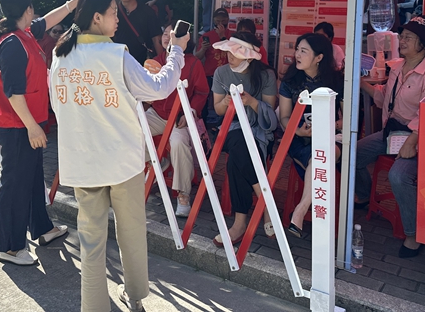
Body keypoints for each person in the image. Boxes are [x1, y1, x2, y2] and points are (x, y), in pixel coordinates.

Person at [50, 0, 188, 311]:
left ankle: (94, 306)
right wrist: (177, 53)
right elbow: (159, 88)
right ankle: (135, 297)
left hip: (82, 161)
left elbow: (58, 106)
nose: (117, 19)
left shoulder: (59, 56)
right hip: (122, 160)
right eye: (114, 13)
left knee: (90, 241)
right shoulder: (116, 56)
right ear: (97, 18)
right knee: (131, 233)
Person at [0, 0, 88, 266]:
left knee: (32, 178)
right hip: (18, 125)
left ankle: (42, 228)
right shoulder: (12, 44)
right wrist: (32, 127)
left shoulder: (24, 33)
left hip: (29, 121)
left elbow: (51, 19)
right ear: (28, 10)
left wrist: (75, 1)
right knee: (15, 183)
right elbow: (13, 92)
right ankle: (9, 247)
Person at [356, 15, 425, 258]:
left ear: (424, 44)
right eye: (403, 36)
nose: (403, 40)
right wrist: (360, 82)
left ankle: (414, 233)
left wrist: (412, 142)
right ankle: (365, 195)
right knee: (351, 154)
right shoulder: (397, 67)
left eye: (409, 37)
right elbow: (384, 97)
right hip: (392, 132)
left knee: (398, 176)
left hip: (420, 139)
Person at [210, 32, 278, 247]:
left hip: (258, 131)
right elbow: (218, 110)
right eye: (229, 51)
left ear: (249, 56)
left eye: (236, 53)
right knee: (239, 141)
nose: (230, 56)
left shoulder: (266, 75)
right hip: (231, 128)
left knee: (236, 159)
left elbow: (269, 115)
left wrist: (252, 102)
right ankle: (266, 204)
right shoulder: (221, 72)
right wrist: (227, 102)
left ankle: (240, 224)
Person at [278, 33, 343, 237]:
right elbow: (284, 117)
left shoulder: (337, 81)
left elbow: (348, 119)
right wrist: (297, 130)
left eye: (303, 51)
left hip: (331, 138)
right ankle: (308, 214)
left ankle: (300, 210)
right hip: (300, 139)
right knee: (320, 158)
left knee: (323, 154)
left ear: (319, 57)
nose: (297, 55)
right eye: (297, 49)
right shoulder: (290, 81)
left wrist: (332, 125)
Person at [144, 22, 209, 217]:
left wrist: (191, 112)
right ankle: (156, 162)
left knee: (179, 143)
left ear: (184, 40)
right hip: (157, 114)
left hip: (180, 118)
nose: (167, 37)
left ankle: (183, 194)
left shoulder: (194, 63)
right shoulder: (154, 61)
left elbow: (202, 92)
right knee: (131, 128)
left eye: (172, 34)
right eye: (165, 34)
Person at [113, 0, 163, 64]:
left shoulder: (147, 12)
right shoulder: (112, 11)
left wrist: (162, 63)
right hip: (117, 60)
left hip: (140, 62)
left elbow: (157, 39)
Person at [195, 8, 232, 125]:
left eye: (223, 21)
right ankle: (203, 123)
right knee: (205, 99)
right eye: (217, 21)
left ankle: (223, 123)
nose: (220, 24)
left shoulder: (233, 35)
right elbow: (197, 57)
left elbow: (232, 52)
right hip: (210, 73)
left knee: (227, 100)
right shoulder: (207, 36)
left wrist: (222, 36)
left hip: (228, 73)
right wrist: (203, 49)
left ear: (228, 20)